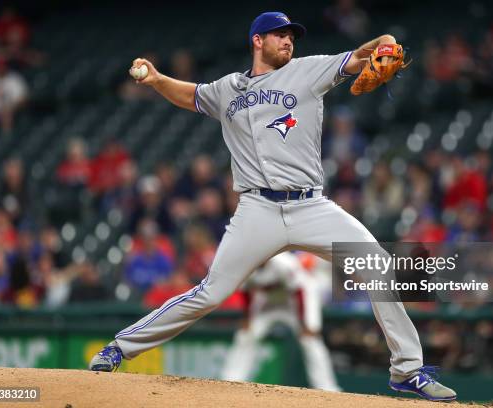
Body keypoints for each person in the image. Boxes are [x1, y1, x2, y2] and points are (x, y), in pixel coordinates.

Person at [89, 12, 456, 401]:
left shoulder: (309, 71)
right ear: (257, 41)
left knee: (377, 267)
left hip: (310, 206)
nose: (288, 41)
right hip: (256, 210)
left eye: (291, 36)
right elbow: (191, 95)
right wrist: (158, 79)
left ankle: (407, 371)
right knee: (210, 293)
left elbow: (363, 54)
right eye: (279, 35)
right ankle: (120, 348)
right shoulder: (228, 88)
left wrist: (383, 42)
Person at [221, 252, 341, 391]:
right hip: (269, 303)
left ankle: (327, 387)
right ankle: (232, 380)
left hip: (295, 302)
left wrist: (305, 323)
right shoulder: (246, 265)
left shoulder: (284, 263)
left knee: (310, 339)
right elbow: (246, 293)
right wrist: (247, 318)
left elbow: (299, 292)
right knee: (246, 335)